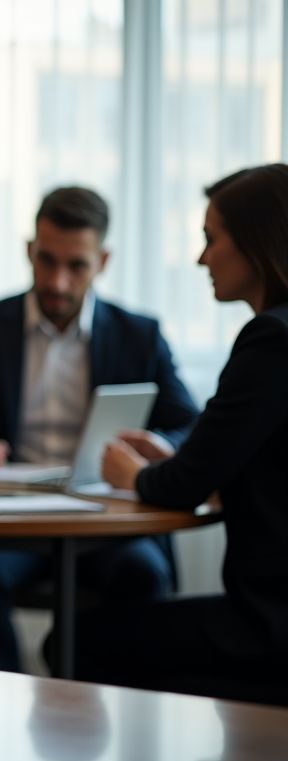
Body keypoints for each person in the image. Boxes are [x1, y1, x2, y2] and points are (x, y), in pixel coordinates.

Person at [0, 186, 201, 671]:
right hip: (11, 520)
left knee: (145, 574)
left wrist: (157, 447)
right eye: (46, 260)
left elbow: (190, 425)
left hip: (107, 521)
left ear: (102, 261)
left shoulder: (139, 334)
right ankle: (9, 689)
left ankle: (97, 691)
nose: (58, 282)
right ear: (28, 251)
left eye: (76, 266)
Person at [73, 164, 288, 706]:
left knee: (75, 644)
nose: (201, 258)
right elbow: (247, 457)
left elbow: (182, 486)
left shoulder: (270, 340)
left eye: (211, 239)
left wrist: (137, 474)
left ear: (257, 243)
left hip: (267, 630)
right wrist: (174, 456)